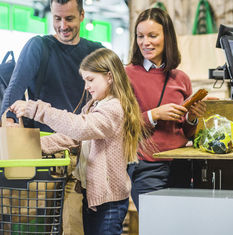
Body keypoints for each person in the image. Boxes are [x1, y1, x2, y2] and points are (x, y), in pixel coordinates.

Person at [0, 0, 102, 235]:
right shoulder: (39, 47)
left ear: (82, 15)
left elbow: (108, 104)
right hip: (43, 159)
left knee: (77, 228)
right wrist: (10, 125)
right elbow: (10, 102)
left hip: (84, 160)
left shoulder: (96, 51)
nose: (63, 26)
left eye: (69, 18)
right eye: (57, 18)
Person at [10, 48, 143, 235]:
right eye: (85, 81)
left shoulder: (113, 108)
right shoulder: (94, 106)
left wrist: (36, 109)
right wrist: (32, 146)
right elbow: (70, 137)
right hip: (94, 197)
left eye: (90, 80)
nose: (86, 86)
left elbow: (80, 128)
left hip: (109, 202)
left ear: (110, 77)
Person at [125, 8, 207, 210]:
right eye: (140, 36)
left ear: (167, 37)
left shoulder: (181, 78)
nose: (146, 42)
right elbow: (120, 124)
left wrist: (192, 118)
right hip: (147, 166)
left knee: (179, 226)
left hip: (181, 164)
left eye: (153, 36)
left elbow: (186, 133)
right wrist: (155, 114)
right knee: (156, 225)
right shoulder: (126, 75)